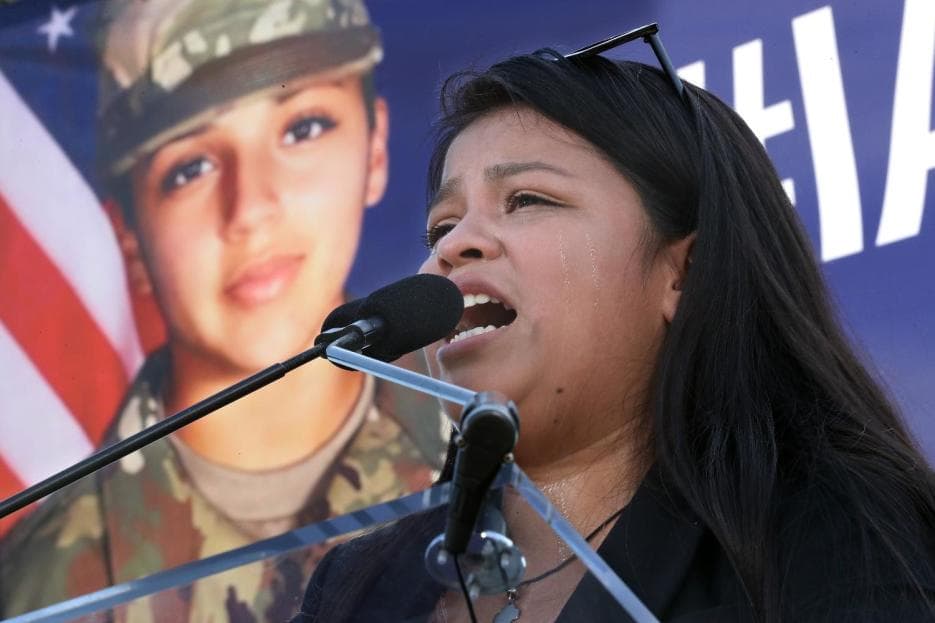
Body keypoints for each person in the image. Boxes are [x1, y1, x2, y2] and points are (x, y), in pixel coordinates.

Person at [290, 30, 935, 623]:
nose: (453, 247)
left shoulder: (838, 536)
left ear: (684, 273)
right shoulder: (358, 587)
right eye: (441, 226)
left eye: (527, 199)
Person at [0, 0, 446, 620]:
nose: (251, 208)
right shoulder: (44, 589)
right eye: (191, 167)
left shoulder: (504, 428)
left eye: (303, 128)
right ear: (129, 234)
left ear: (373, 149)